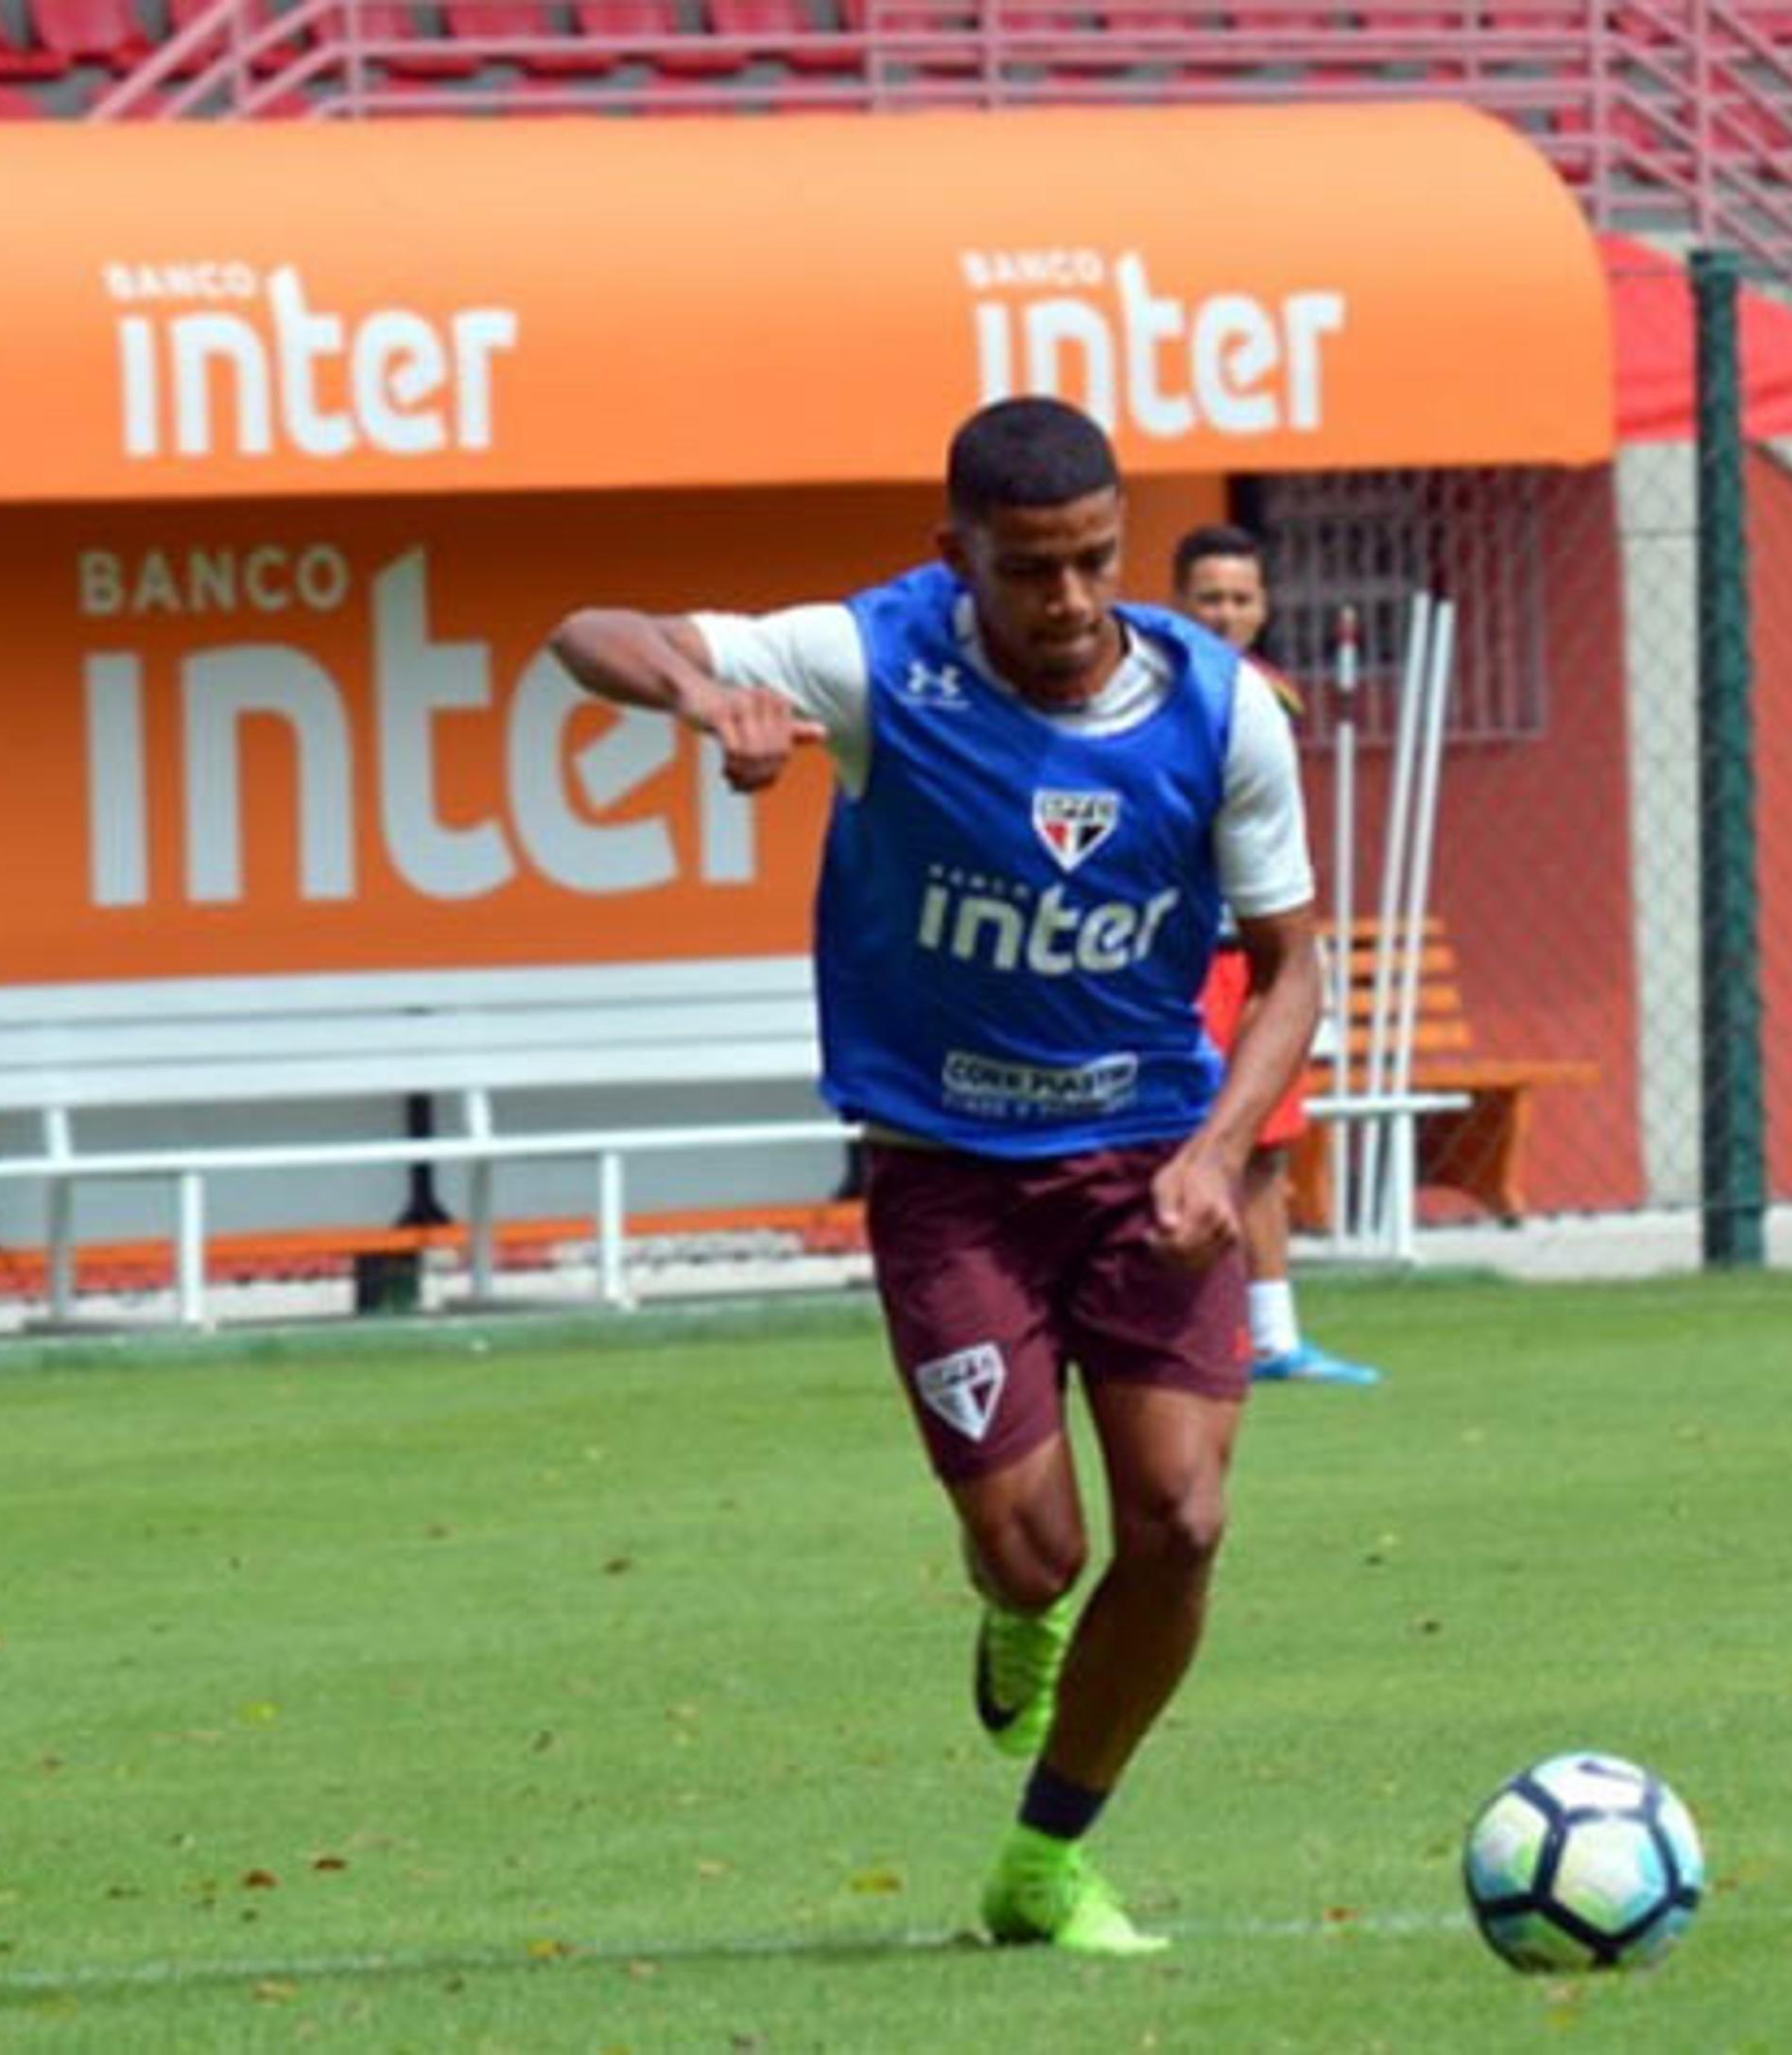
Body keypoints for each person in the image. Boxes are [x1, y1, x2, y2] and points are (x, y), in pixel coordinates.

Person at [546, 397, 1321, 1961]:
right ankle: (1019, 1606)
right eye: (1032, 569)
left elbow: (1296, 965)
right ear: (953, 551)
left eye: (1097, 558)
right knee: (1037, 1549)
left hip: (1149, 1165)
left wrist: (1222, 1150)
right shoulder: (872, 663)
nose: (1074, 600)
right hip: (953, 1180)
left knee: (1178, 1520)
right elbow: (585, 629)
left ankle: (1044, 1860)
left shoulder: (1224, 711)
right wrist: (709, 698)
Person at [1171, 525, 1383, 1389]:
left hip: (1251, 957)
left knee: (1264, 1144)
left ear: (1262, 607)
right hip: (1178, 957)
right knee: (1175, 1139)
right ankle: (1184, 1329)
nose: (1226, 614)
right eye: (1210, 598)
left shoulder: (1272, 699)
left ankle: (1273, 1333)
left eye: (1241, 599)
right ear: (1180, 601)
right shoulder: (1153, 691)